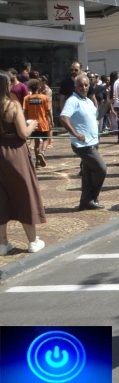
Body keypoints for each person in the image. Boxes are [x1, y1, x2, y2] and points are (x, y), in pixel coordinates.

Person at [0, 71, 46, 254]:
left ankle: (2, 243)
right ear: (6, 86)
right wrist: (32, 124)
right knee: (25, 194)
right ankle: (33, 241)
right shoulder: (12, 106)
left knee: (1, 197)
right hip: (15, 153)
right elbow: (23, 133)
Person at [60, 75, 107, 211]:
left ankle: (85, 202)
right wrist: (75, 133)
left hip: (93, 142)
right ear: (76, 87)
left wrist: (108, 102)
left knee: (88, 174)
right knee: (101, 169)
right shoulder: (72, 100)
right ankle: (92, 197)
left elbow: (97, 116)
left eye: (86, 85)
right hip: (83, 145)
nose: (84, 88)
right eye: (80, 85)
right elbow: (63, 118)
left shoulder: (88, 101)